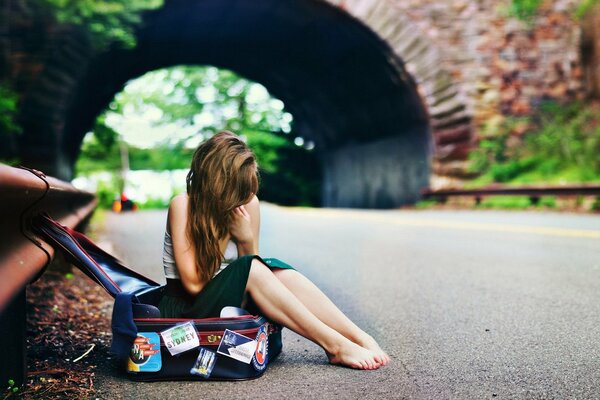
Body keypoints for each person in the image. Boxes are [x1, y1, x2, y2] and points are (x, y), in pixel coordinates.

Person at [158, 131, 390, 370]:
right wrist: (228, 233)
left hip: (226, 303)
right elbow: (194, 285)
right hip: (186, 309)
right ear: (217, 182)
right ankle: (335, 345)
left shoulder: (248, 202)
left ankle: (359, 337)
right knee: (258, 270)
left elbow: (252, 265)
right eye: (236, 189)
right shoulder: (183, 206)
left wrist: (245, 239)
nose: (242, 197)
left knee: (280, 272)